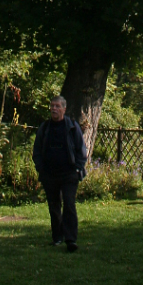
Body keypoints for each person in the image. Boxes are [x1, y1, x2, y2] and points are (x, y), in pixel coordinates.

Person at [32, 95, 87, 252]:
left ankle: (71, 240)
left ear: (64, 108)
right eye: (52, 106)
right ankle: (57, 237)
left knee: (69, 204)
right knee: (53, 206)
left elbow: (81, 150)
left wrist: (78, 168)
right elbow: (37, 150)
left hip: (69, 174)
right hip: (49, 174)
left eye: (57, 106)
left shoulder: (72, 127)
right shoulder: (45, 128)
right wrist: (40, 167)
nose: (54, 109)